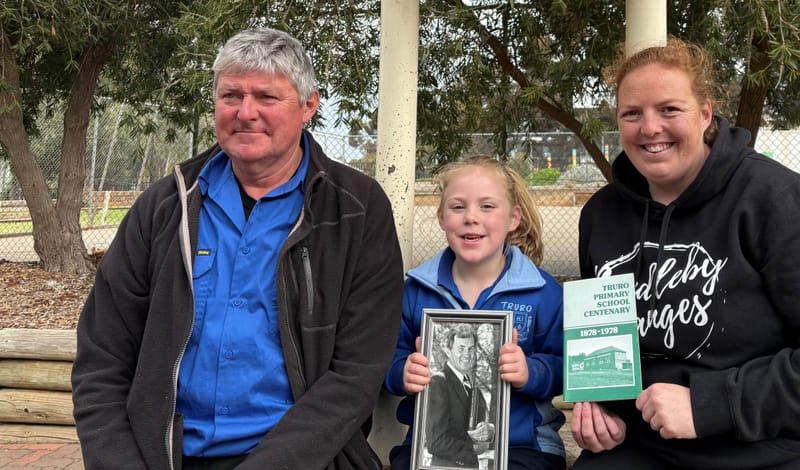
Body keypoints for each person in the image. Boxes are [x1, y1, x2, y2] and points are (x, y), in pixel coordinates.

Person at [71, 28, 404, 470]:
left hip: (302, 459)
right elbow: (102, 355)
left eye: (266, 97)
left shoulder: (355, 210)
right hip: (166, 457)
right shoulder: (166, 207)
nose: (245, 113)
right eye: (231, 95)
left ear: (308, 106)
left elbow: (356, 372)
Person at [572, 37, 800, 469]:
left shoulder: (780, 201)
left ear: (705, 113)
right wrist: (598, 404)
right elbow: (605, 346)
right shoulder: (602, 215)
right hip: (653, 445)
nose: (650, 128)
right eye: (632, 114)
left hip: (790, 445)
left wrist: (712, 405)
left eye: (670, 109)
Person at [384, 156, 566, 470]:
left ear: (514, 218)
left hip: (522, 447)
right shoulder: (416, 290)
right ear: (441, 218)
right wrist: (403, 372)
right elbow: (386, 357)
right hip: (427, 449)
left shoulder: (543, 291)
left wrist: (530, 371)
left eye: (487, 206)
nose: (471, 217)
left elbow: (567, 367)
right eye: (458, 207)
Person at [424, 324, 494, 467]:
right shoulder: (438, 382)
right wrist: (474, 449)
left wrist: (489, 431)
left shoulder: (473, 387)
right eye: (461, 349)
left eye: (471, 349)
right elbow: (436, 442)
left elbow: (477, 426)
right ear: (449, 351)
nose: (467, 355)